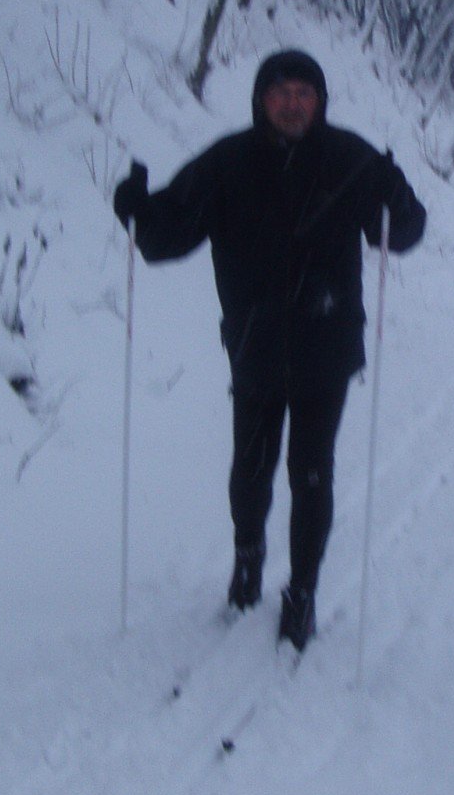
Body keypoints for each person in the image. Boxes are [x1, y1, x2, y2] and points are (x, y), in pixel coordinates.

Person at [112, 49, 426, 651]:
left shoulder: (350, 159)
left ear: (320, 100)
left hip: (326, 344)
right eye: (280, 92)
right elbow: (166, 236)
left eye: (303, 92)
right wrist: (138, 209)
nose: (291, 102)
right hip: (254, 344)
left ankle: (301, 593)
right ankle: (248, 560)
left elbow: (402, 234)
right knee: (250, 470)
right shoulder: (228, 162)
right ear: (261, 99)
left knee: (311, 473)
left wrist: (400, 200)